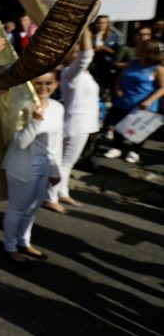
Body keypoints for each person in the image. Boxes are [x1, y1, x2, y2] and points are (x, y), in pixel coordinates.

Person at [2, 72, 64, 263]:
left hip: (46, 164)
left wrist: (56, 171)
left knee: (33, 208)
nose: (44, 87)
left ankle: (24, 241)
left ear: (56, 84)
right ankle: (10, 247)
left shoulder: (58, 107)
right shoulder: (22, 105)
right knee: (18, 209)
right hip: (23, 165)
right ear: (31, 84)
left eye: (49, 83)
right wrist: (36, 120)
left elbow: (57, 142)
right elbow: (21, 142)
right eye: (39, 83)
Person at [43, 27, 100, 213]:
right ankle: (51, 197)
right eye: (73, 52)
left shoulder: (82, 73)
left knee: (67, 162)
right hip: (76, 123)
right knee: (63, 162)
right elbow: (87, 55)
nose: (77, 54)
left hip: (82, 123)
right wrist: (85, 33)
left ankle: (62, 192)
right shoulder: (70, 72)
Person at [103, 39, 164, 163]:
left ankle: (134, 151)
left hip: (143, 105)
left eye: (139, 47)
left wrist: (149, 100)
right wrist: (118, 88)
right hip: (124, 101)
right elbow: (119, 78)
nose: (135, 49)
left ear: (147, 51)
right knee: (118, 125)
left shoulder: (157, 69)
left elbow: (163, 88)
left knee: (138, 129)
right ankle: (117, 147)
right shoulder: (132, 63)